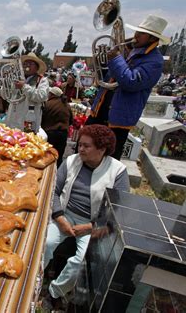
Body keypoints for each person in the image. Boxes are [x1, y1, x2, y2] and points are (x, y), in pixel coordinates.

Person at [43, 124, 130, 308]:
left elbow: (118, 207)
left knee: (82, 262)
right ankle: (35, 279)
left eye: (86, 146)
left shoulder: (118, 171)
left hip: (94, 225)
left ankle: (55, 292)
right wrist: (60, 218)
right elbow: (54, 191)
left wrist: (90, 227)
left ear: (102, 149)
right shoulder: (71, 161)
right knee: (45, 244)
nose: (80, 149)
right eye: (80, 144)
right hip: (64, 215)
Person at [86, 15, 170, 160]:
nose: (135, 35)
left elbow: (131, 82)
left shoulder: (154, 62)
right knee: (84, 151)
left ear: (152, 39)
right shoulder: (129, 50)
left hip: (118, 120)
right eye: (137, 31)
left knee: (106, 160)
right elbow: (109, 77)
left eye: (141, 33)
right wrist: (104, 61)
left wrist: (116, 58)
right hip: (100, 110)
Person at [1, 52, 49, 132]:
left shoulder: (41, 80)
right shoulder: (16, 78)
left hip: (27, 122)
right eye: (25, 63)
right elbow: (4, 96)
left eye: (31, 63)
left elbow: (41, 96)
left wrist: (24, 86)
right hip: (11, 121)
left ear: (37, 68)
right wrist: (6, 82)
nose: (27, 65)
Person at [42, 87, 72, 167]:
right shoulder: (66, 104)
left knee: (48, 157)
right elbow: (71, 120)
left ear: (52, 94)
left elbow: (42, 119)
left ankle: (48, 176)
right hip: (63, 134)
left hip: (50, 133)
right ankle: (57, 175)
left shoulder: (47, 104)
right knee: (59, 157)